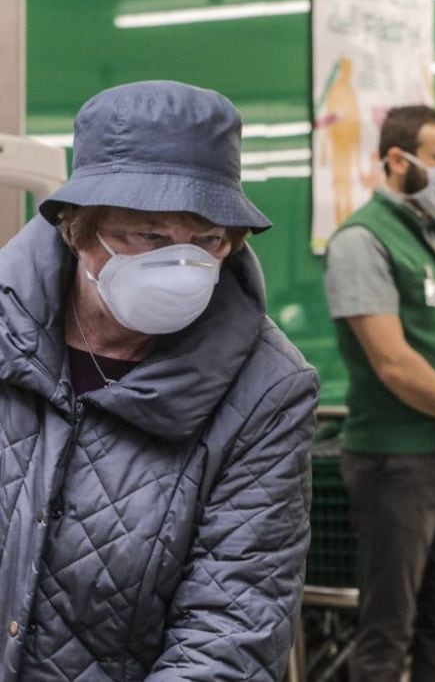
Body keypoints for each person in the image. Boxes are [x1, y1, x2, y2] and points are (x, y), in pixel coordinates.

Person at [0, 81, 320, 681]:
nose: (181, 266)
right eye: (147, 235)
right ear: (76, 227)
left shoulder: (266, 391)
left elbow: (230, 629)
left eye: (207, 241)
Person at [323, 105, 435, 682]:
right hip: (394, 462)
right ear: (398, 160)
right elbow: (393, 362)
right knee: (387, 630)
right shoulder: (361, 241)